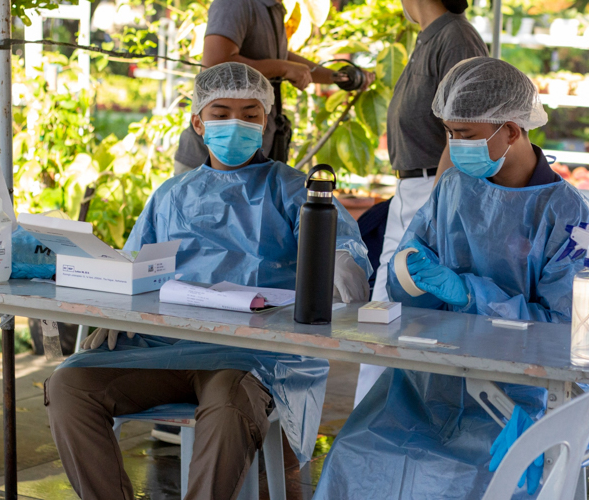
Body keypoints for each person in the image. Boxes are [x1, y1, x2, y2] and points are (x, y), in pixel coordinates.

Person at [44, 62, 372, 500]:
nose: (235, 123)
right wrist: (116, 305)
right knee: (68, 386)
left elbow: (344, 252)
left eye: (250, 114)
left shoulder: (292, 190)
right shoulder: (171, 195)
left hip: (250, 357)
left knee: (228, 403)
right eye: (221, 112)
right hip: (164, 347)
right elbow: (134, 265)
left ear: (267, 121)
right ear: (198, 121)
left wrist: (341, 260)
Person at [314, 57, 589, 499]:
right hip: (430, 382)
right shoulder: (452, 189)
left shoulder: (569, 214)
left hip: (520, 395)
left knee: (456, 478)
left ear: (512, 129)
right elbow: (406, 279)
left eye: (464, 135)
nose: (453, 146)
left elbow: (567, 328)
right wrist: (410, 278)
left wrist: (469, 293)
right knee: (356, 455)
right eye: (449, 133)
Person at [354, 0, 488, 407]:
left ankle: (375, 428)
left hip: (435, 190)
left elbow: (465, 129)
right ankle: (370, 428)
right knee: (382, 317)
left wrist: (438, 207)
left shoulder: (455, 37)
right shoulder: (429, 37)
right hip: (413, 190)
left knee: (391, 314)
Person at [174, 0, 374, 174]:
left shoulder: (272, 8)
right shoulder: (236, 3)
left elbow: (280, 57)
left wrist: (337, 77)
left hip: (251, 160)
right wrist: (282, 68)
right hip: (209, 163)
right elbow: (216, 64)